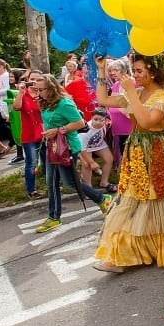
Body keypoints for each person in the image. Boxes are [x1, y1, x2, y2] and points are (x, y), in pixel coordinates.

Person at [92, 54, 164, 273]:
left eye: (139, 71)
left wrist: (130, 92)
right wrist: (101, 71)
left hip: (159, 150)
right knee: (130, 198)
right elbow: (104, 100)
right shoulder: (137, 92)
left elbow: (147, 122)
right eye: (134, 71)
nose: (135, 75)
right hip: (137, 151)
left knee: (159, 200)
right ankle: (121, 255)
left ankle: (156, 248)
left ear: (153, 71)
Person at [31, 74, 112, 234]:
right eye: (37, 90)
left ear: (52, 88)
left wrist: (59, 130)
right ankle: (54, 217)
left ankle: (102, 199)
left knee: (70, 182)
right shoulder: (46, 102)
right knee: (51, 183)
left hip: (66, 147)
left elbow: (80, 123)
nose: (39, 93)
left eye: (42, 90)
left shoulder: (64, 103)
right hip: (52, 147)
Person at [11, 73, 45, 199]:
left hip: (43, 132)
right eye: (32, 79)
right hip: (29, 134)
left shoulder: (43, 94)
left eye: (37, 80)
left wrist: (41, 97)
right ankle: (32, 190)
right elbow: (16, 107)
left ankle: (51, 184)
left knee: (47, 159)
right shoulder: (23, 94)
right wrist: (20, 92)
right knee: (31, 162)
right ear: (27, 80)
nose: (34, 82)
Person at [77, 109, 114, 191]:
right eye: (95, 119)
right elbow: (81, 149)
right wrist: (91, 162)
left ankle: (104, 182)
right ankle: (88, 188)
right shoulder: (85, 130)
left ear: (106, 120)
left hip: (98, 144)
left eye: (101, 120)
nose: (98, 122)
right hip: (84, 148)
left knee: (109, 159)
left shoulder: (107, 124)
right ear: (91, 118)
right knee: (87, 164)